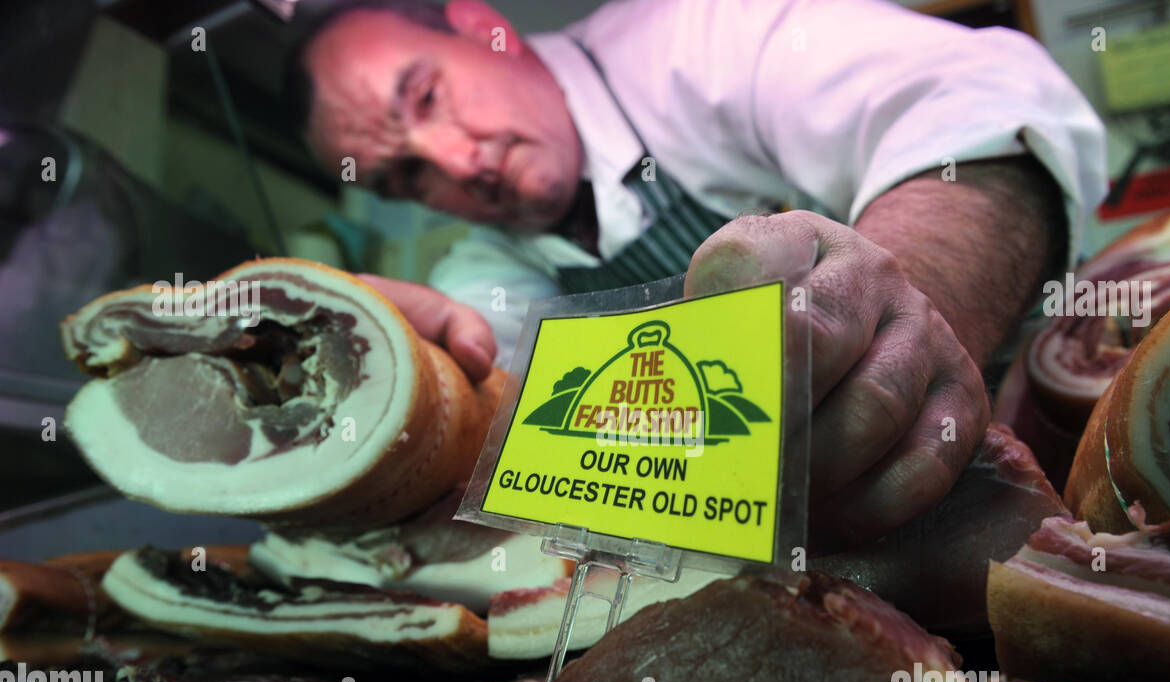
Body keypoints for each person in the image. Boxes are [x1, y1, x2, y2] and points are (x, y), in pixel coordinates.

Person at [285, 0, 1107, 545]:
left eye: (426, 99)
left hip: (1048, 459)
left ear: (475, 21)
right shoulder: (488, 262)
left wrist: (893, 317)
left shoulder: (700, 36)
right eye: (404, 177)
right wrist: (392, 377)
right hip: (834, 570)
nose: (460, 164)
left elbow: (975, 110)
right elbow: (492, 392)